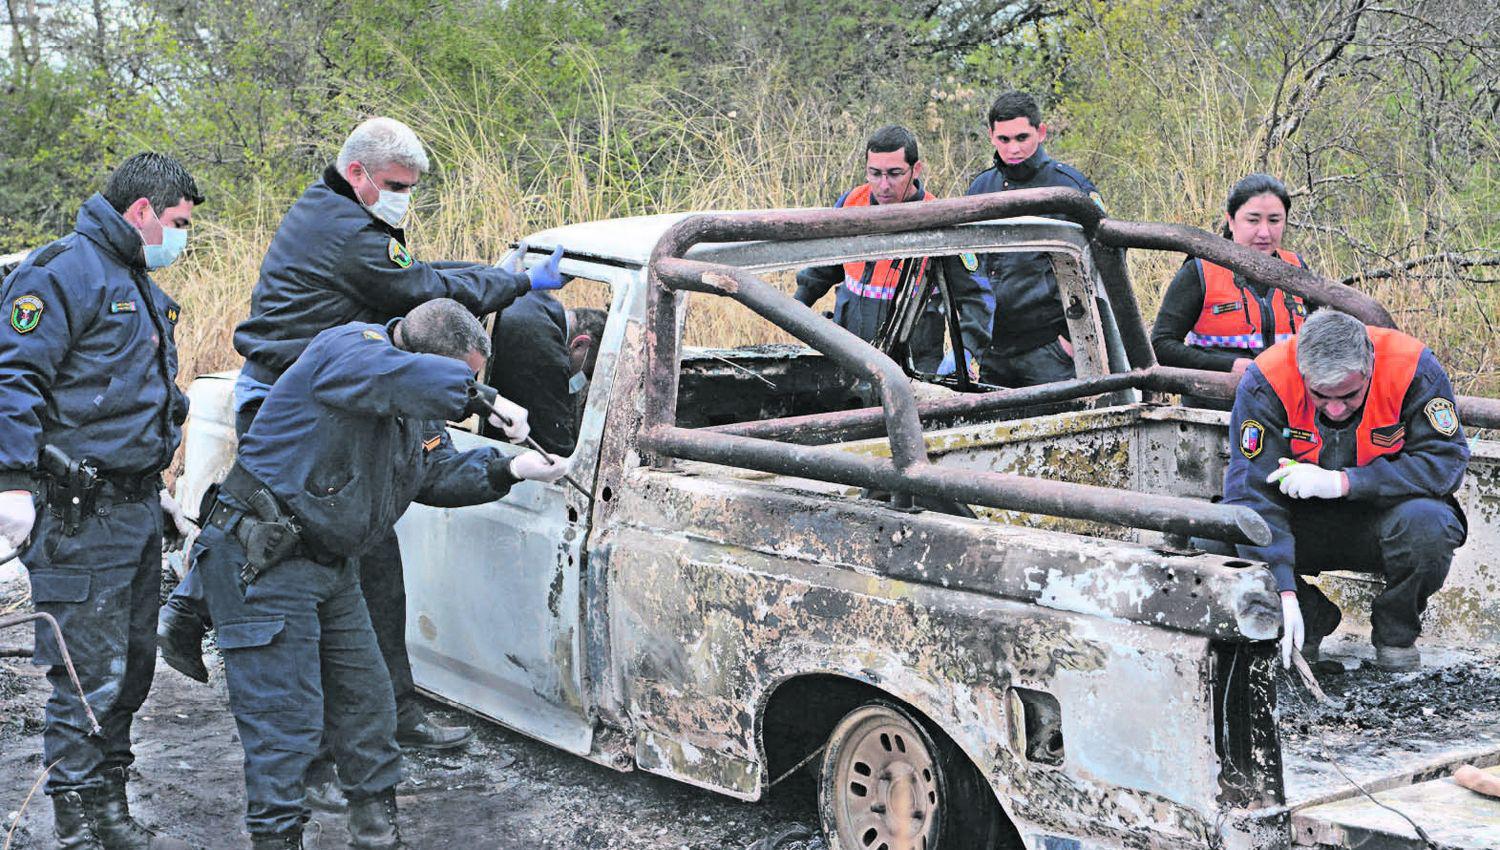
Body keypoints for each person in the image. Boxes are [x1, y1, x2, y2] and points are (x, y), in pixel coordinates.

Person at [157, 117, 565, 770]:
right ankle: (296, 729)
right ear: (357, 173)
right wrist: (511, 288)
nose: (405, 196)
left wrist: (501, 278)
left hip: (347, 391)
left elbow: (422, 277)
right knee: (288, 549)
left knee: (371, 556)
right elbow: (423, 289)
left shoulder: (352, 217)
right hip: (297, 400)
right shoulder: (343, 229)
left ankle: (390, 710)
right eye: (397, 184)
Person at [191, 299, 571, 850]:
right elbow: (392, 374)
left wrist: (510, 467)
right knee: (285, 725)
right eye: (461, 376)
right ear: (426, 359)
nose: (464, 389)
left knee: (370, 704)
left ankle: (376, 834)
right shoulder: (349, 350)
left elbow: (432, 470)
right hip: (265, 563)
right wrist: (480, 397)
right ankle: (277, 839)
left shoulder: (410, 398)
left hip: (333, 565)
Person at [0, 153, 203, 850]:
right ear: (142, 211)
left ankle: (110, 805)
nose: (182, 237)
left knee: (131, 668)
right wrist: (12, 483)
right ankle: (77, 823)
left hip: (135, 506)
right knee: (86, 675)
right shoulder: (62, 273)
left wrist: (159, 484)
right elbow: (15, 378)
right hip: (76, 513)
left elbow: (139, 393)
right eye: (177, 222)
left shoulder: (132, 278)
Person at [1224, 309, 1469, 673]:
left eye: (1350, 395)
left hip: (1385, 521)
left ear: (1369, 367)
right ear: (1302, 372)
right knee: (1216, 537)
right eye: (1321, 396)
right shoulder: (1268, 379)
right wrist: (1281, 589)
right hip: (1301, 525)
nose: (1336, 409)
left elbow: (1445, 463)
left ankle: (1394, 633)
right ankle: (1309, 617)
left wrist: (1345, 483)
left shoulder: (1413, 367)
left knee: (1431, 525)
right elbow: (1250, 492)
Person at [794, 125, 992, 375]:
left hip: (914, 368)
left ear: (915, 169)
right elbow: (824, 266)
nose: (884, 185)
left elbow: (977, 299)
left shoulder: (939, 222)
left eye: (894, 174)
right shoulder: (851, 204)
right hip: (849, 356)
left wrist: (964, 351)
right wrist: (797, 306)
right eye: (874, 173)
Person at [966, 91, 1102, 388]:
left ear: (1040, 132)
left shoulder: (1070, 190)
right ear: (991, 136)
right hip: (991, 348)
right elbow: (967, 266)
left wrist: (1069, 339)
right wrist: (967, 342)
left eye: (1022, 138)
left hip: (1049, 348)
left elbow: (1102, 267)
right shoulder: (981, 187)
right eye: (1004, 139)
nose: (1013, 148)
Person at [1152, 173, 1311, 375]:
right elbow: (1162, 345)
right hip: (1214, 402)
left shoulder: (1296, 268)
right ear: (1231, 221)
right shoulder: (1200, 270)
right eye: (1253, 220)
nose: (1264, 232)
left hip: (1285, 401)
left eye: (1274, 220)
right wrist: (1228, 366)